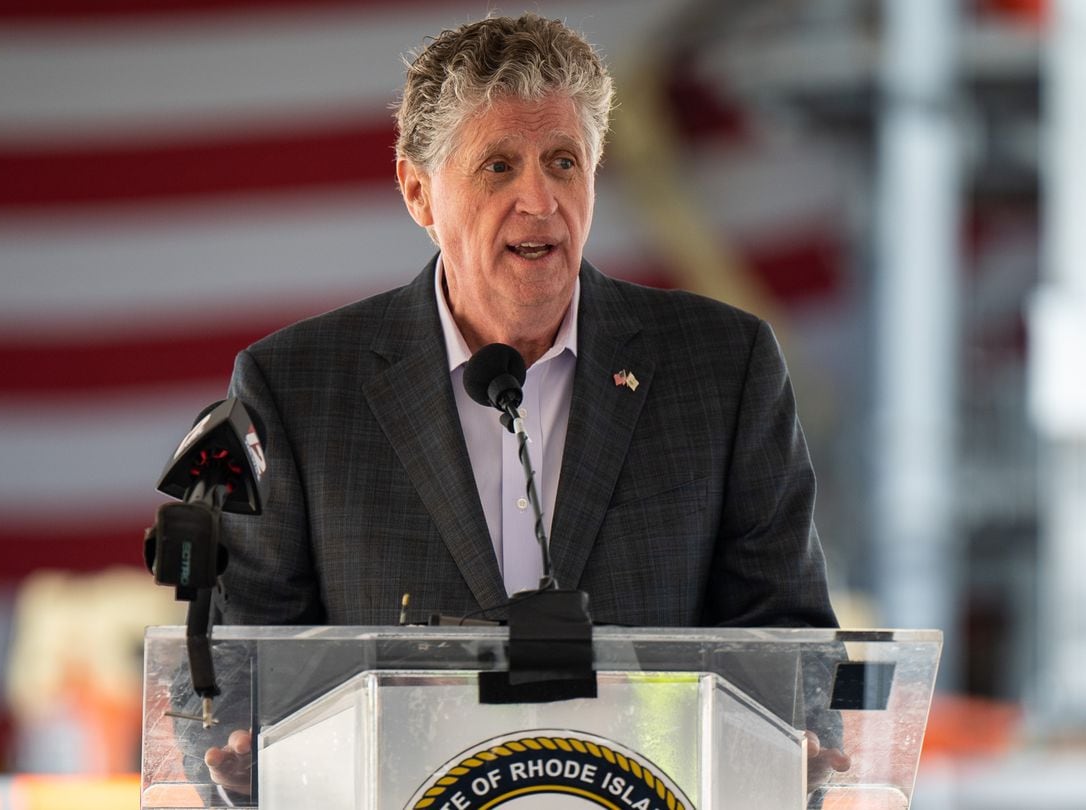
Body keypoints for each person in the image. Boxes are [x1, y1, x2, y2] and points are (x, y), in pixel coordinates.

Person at [204, 11, 846, 797]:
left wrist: (800, 728)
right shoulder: (298, 387)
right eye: (499, 166)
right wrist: (239, 756)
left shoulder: (722, 366)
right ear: (417, 192)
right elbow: (238, 662)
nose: (540, 200)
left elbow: (783, 636)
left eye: (564, 162)